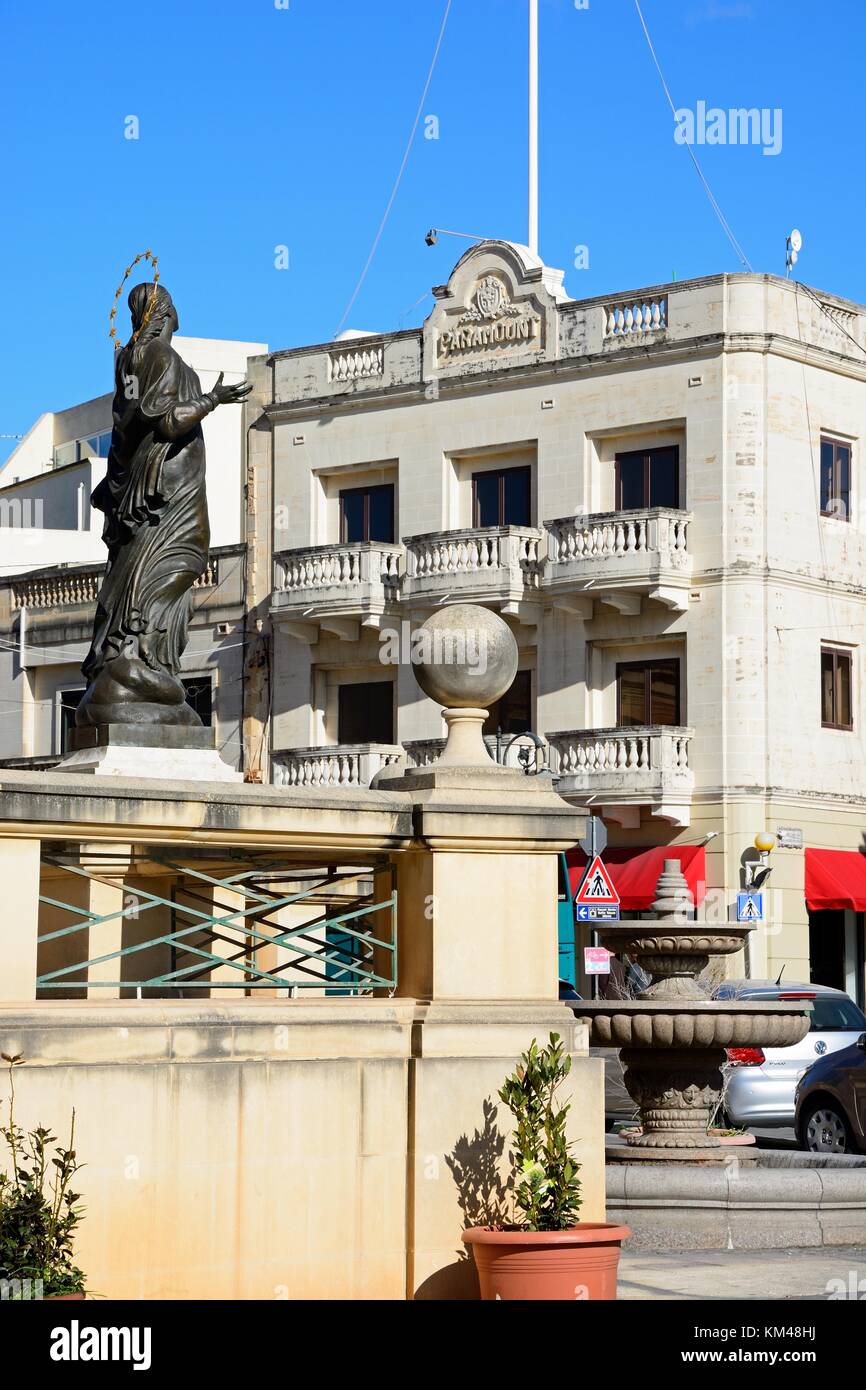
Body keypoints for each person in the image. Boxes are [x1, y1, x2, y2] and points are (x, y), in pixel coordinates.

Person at [77, 283, 251, 728]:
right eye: (173, 308)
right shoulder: (163, 358)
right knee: (184, 562)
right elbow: (170, 422)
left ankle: (138, 663)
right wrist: (214, 399)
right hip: (168, 494)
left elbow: (131, 426)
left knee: (145, 572)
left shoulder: (128, 360)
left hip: (145, 489)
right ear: (165, 313)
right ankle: (141, 665)